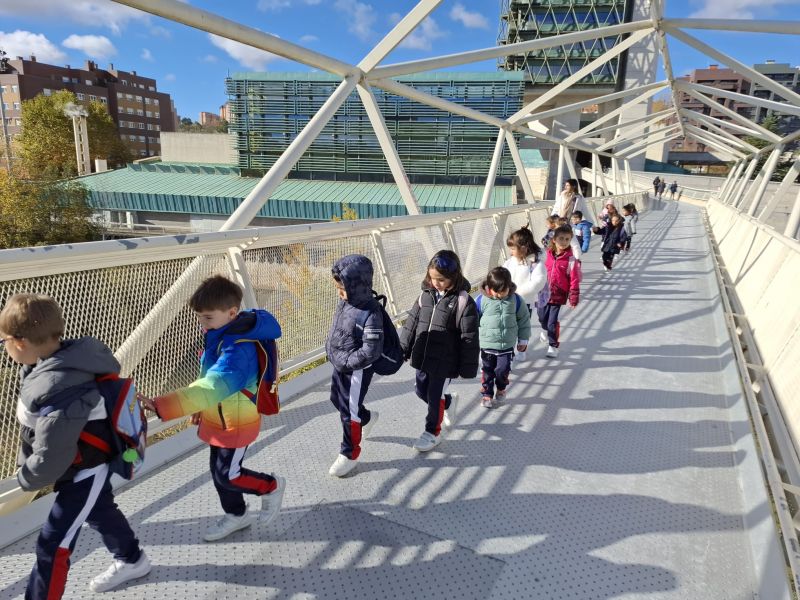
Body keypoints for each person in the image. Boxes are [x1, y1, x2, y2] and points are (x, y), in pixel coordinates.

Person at [1, 294, 151, 598]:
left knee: (53, 543)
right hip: (85, 462)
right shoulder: (63, 363)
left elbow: (52, 452)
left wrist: (26, 477)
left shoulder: (60, 387)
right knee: (99, 510)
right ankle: (133, 559)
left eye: (3, 341)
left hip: (86, 469)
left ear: (20, 343)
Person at [141, 275, 285, 542]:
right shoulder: (220, 334)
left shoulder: (238, 350)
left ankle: (271, 486)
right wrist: (201, 408)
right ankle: (237, 514)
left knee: (228, 474)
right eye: (199, 317)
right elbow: (207, 376)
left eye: (207, 317)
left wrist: (163, 405)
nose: (202, 323)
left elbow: (213, 386)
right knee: (220, 473)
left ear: (232, 312)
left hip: (236, 422)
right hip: (219, 417)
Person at [400, 250, 479, 452]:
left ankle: (432, 433)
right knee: (421, 391)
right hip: (423, 356)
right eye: (432, 278)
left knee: (435, 396)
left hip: (445, 360)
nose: (436, 283)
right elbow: (411, 324)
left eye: (441, 279)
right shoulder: (424, 296)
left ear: (454, 276)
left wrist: (467, 367)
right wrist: (403, 348)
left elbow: (469, 337)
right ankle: (449, 402)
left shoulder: (463, 301)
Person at [325, 254, 383, 477]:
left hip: (356, 368)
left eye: (343, 289)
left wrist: (348, 362)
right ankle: (366, 418)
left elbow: (371, 350)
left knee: (349, 411)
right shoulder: (346, 303)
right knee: (336, 399)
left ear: (357, 286)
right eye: (338, 289)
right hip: (341, 363)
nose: (339, 293)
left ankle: (349, 453)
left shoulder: (371, 313)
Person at [475, 267, 531, 408]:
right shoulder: (481, 300)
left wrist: (523, 339)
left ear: (509, 286)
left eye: (503, 291)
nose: (500, 295)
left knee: (502, 370)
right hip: (487, 344)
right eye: (496, 292)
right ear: (489, 288)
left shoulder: (516, 300)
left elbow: (524, 320)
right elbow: (472, 320)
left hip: (506, 345)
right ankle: (487, 394)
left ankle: (501, 388)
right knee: (487, 371)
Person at [537, 225, 581, 359]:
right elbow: (537, 270)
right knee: (541, 318)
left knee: (552, 322)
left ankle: (553, 345)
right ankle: (544, 329)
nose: (564, 242)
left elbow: (574, 279)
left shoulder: (571, 259)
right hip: (543, 293)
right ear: (554, 239)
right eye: (561, 238)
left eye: (567, 239)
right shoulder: (546, 255)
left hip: (558, 295)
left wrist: (573, 297)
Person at [503, 225, 547, 318]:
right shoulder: (510, 261)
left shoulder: (535, 264)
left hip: (524, 302)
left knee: (522, 325)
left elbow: (537, 283)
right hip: (508, 300)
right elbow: (502, 274)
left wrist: (517, 292)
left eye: (513, 249)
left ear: (523, 248)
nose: (510, 252)